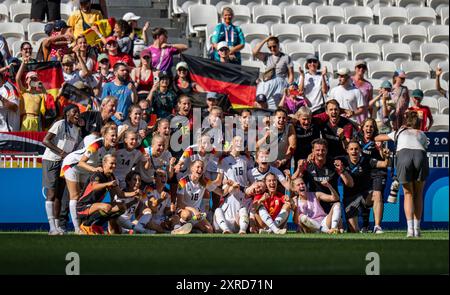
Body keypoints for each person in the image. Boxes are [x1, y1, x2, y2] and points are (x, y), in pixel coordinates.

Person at [375, 111, 429, 238]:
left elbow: (377, 138)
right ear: (419, 124)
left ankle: (410, 230)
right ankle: (417, 229)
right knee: (418, 194)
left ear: (406, 122)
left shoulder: (399, 132)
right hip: (420, 156)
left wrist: (380, 145)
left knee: (408, 194)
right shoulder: (422, 134)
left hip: (403, 156)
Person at [61, 123, 117, 233]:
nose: (114, 138)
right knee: (75, 196)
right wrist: (94, 170)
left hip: (86, 169)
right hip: (72, 165)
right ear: (105, 135)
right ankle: (77, 228)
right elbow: (81, 162)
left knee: (83, 198)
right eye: (112, 135)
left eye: (116, 135)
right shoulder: (95, 145)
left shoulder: (111, 149)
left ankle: (84, 225)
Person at [42, 104, 81, 235]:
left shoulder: (76, 129)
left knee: (59, 195)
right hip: (51, 160)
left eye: (78, 112)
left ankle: (58, 227)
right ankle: (51, 227)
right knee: (51, 194)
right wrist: (61, 152)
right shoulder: (59, 124)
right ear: (67, 113)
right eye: (74, 112)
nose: (77, 114)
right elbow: (45, 140)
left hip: (64, 163)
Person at [76, 154, 135, 235]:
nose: (114, 166)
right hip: (83, 206)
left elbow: (120, 194)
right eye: (111, 163)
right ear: (104, 163)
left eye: (115, 164)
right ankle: (86, 225)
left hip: (95, 205)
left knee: (121, 207)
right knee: (107, 207)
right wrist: (108, 184)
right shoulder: (97, 173)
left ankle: (97, 225)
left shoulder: (111, 176)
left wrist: (135, 193)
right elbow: (94, 187)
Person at [293, 138, 353, 214]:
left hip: (331, 200)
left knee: (336, 217)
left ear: (327, 150)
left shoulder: (334, 164)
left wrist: (342, 171)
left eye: (323, 150)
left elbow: (350, 184)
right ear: (312, 151)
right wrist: (299, 169)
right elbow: (292, 183)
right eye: (317, 150)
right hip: (313, 202)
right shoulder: (307, 164)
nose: (320, 152)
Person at [342, 140, 389, 233]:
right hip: (350, 198)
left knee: (377, 193)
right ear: (347, 150)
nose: (354, 151)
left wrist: (387, 156)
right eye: (351, 149)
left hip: (365, 196)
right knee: (354, 230)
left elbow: (384, 164)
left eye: (356, 149)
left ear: (360, 150)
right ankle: (359, 228)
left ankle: (377, 227)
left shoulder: (367, 160)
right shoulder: (342, 160)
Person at [356, 118, 388, 233]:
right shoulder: (357, 138)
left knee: (377, 194)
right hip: (363, 172)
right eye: (367, 126)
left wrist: (381, 149)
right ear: (362, 127)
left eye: (371, 127)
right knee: (366, 199)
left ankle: (377, 226)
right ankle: (365, 225)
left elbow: (384, 158)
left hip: (378, 171)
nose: (369, 129)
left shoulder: (377, 139)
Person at [214, 136, 251, 234]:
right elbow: (219, 181)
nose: (239, 143)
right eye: (237, 141)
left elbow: (250, 177)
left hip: (241, 194)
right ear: (232, 143)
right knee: (218, 210)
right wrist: (225, 183)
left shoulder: (246, 158)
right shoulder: (223, 159)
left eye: (241, 141)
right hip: (229, 194)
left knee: (243, 210)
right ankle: (225, 229)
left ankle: (242, 230)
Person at [176, 160, 223, 233]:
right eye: (198, 167)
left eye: (202, 168)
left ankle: (192, 228)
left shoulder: (204, 181)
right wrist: (193, 210)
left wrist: (232, 186)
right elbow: (179, 203)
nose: (200, 169)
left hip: (197, 214)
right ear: (192, 168)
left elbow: (221, 192)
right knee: (186, 215)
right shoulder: (183, 181)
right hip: (184, 211)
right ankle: (180, 225)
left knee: (209, 229)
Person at [253, 36, 294, 110]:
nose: (272, 49)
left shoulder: (286, 57)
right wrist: (266, 39)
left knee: (277, 108)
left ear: (278, 45)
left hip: (280, 83)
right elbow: (255, 52)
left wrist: (288, 85)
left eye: (274, 46)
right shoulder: (267, 56)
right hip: (268, 82)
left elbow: (291, 74)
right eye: (270, 47)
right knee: (264, 104)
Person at [15, 63, 47, 131]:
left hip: (37, 121)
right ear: (26, 80)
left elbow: (48, 102)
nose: (33, 80)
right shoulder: (24, 91)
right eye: (31, 78)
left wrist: (42, 87)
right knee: (24, 140)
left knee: (36, 141)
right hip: (26, 119)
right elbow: (17, 78)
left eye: (35, 79)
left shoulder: (40, 94)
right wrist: (23, 63)